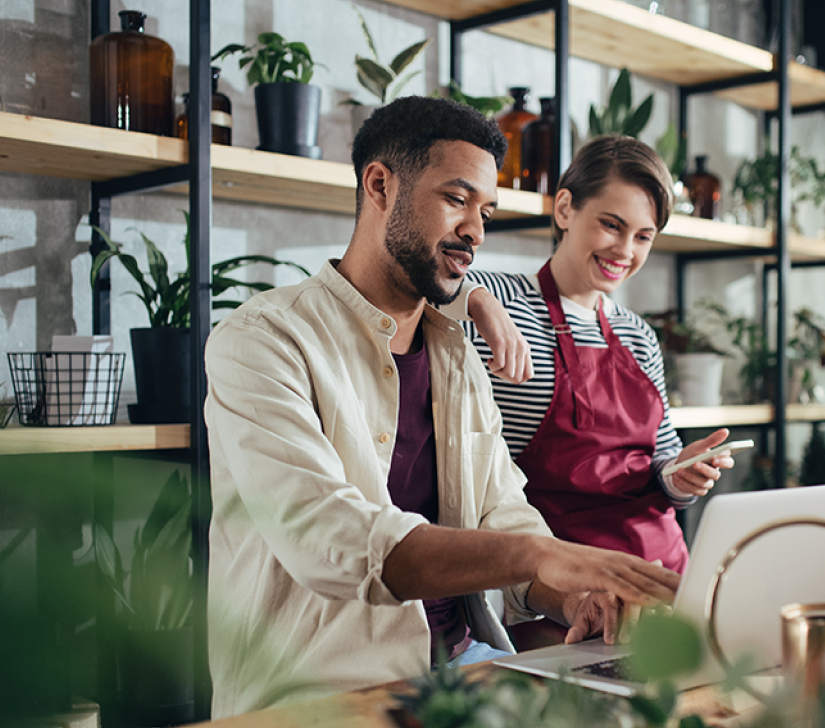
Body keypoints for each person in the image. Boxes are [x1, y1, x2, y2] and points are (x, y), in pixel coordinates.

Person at [203, 97, 681, 718]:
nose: (476, 232)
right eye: (457, 200)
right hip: (322, 695)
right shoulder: (263, 341)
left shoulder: (455, 351)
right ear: (380, 185)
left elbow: (501, 512)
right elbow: (328, 538)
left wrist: (569, 597)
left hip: (465, 670)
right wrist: (545, 554)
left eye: (485, 211)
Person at [446, 136, 737, 644]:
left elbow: (659, 470)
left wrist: (681, 474)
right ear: (564, 208)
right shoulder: (502, 300)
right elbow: (417, 288)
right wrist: (476, 300)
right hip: (561, 596)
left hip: (660, 579)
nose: (625, 252)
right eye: (611, 225)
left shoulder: (638, 335)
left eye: (644, 237)